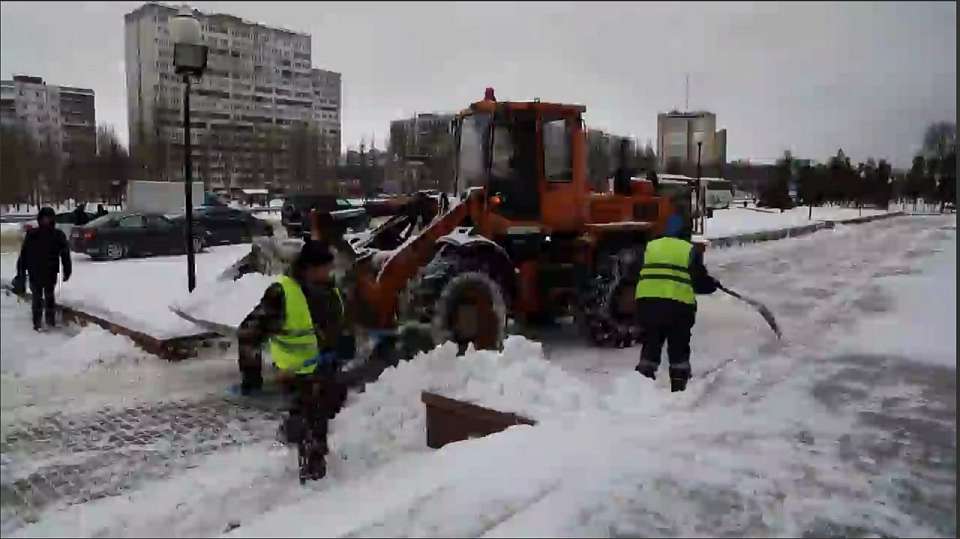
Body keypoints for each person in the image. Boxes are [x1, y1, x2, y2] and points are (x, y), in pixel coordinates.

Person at [236, 240, 352, 482]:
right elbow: (248, 332)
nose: (330, 273)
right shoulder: (282, 292)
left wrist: (344, 344)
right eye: (325, 268)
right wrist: (251, 376)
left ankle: (296, 435)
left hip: (326, 367)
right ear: (309, 267)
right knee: (311, 422)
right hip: (295, 373)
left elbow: (337, 323)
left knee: (325, 412)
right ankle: (312, 477)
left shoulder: (330, 289)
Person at [634, 212, 720, 392]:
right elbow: (699, 282)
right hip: (677, 308)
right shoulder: (689, 250)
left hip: (647, 305)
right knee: (678, 345)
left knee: (651, 343)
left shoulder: (650, 246)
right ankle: (679, 386)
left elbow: (636, 271)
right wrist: (712, 284)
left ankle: (642, 384)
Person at [16, 207, 72, 331]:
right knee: (37, 298)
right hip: (34, 271)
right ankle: (37, 323)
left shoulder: (58, 235)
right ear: (40, 219)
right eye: (44, 218)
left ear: (52, 219)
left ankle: (50, 321)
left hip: (50, 272)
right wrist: (21, 272)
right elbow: (24, 254)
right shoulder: (32, 234)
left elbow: (65, 254)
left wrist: (67, 270)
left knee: (49, 297)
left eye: (49, 218)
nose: (46, 221)